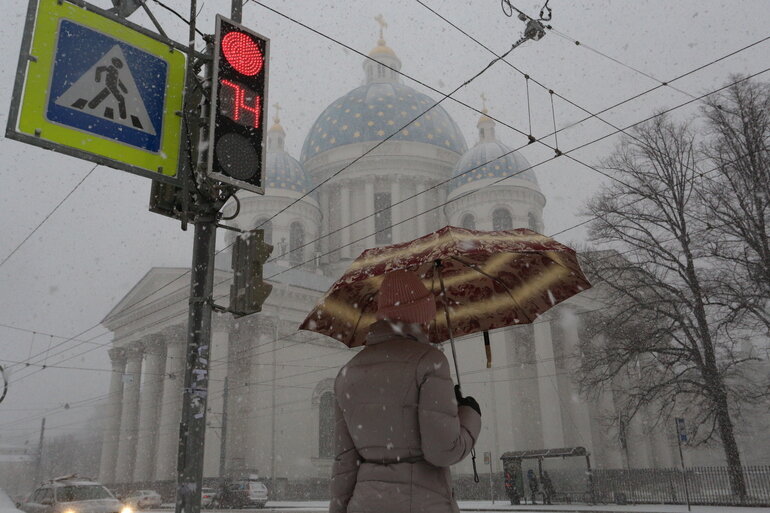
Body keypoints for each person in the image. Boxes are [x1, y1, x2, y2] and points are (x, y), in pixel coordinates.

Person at [330, 269, 482, 513]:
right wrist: (470, 414)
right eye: (426, 317)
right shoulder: (429, 361)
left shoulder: (347, 373)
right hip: (423, 504)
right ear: (418, 317)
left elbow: (344, 463)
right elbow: (444, 451)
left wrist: (338, 509)